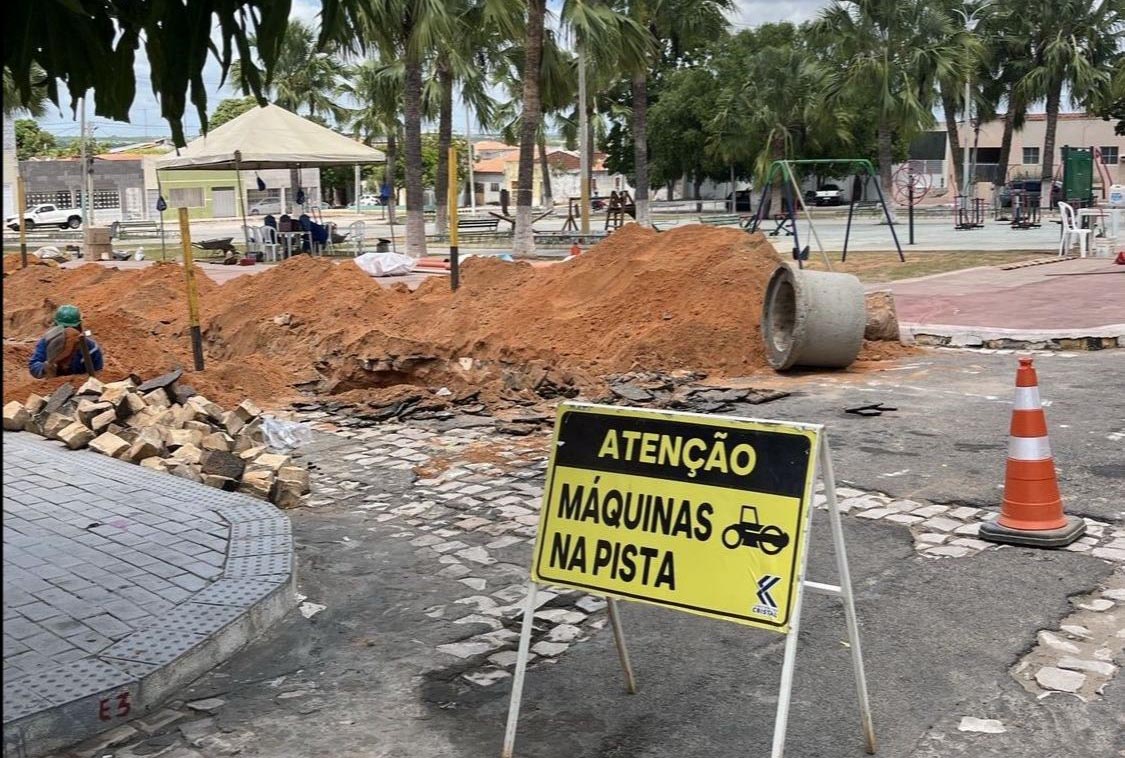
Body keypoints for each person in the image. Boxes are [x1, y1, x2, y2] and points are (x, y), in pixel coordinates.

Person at [28, 305, 104, 379]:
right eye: (65, 328)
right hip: (54, 385)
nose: (69, 332)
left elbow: (98, 375)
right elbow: (34, 365)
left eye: (72, 328)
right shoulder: (46, 342)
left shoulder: (91, 348)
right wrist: (45, 368)